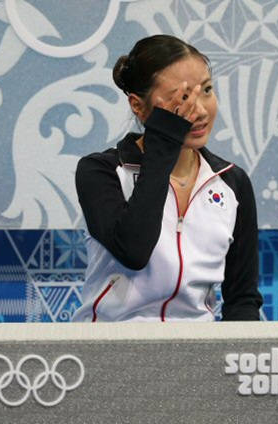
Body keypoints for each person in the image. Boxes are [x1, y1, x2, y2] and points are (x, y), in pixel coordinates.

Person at [72, 35, 263, 322]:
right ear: (138, 106)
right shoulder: (101, 171)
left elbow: (242, 298)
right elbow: (134, 251)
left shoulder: (232, 183)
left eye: (207, 90)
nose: (199, 111)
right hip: (110, 347)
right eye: (181, 99)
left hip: (197, 352)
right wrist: (163, 142)